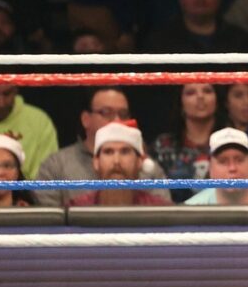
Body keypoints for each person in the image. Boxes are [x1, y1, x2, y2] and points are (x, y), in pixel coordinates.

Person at [35, 87, 170, 207]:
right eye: (106, 112)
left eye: (123, 114)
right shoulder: (56, 166)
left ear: (140, 162)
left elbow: (164, 219)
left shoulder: (151, 170)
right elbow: (50, 224)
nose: (117, 121)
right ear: (86, 119)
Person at [68, 121, 173, 207]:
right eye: (108, 152)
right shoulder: (77, 208)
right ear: (96, 161)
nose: (116, 161)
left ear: (140, 161)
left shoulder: (159, 210)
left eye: (125, 152)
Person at [151, 83, 220, 201]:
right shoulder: (163, 145)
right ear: (181, 103)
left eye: (207, 91)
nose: (200, 96)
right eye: (191, 93)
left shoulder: (232, 142)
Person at [185, 128, 248, 206]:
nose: (232, 168)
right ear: (210, 168)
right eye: (223, 161)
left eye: (239, 160)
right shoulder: (190, 212)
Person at [0, 85, 57, 179]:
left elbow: (47, 175)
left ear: (16, 89)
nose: (1, 103)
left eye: (7, 93)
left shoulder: (39, 120)